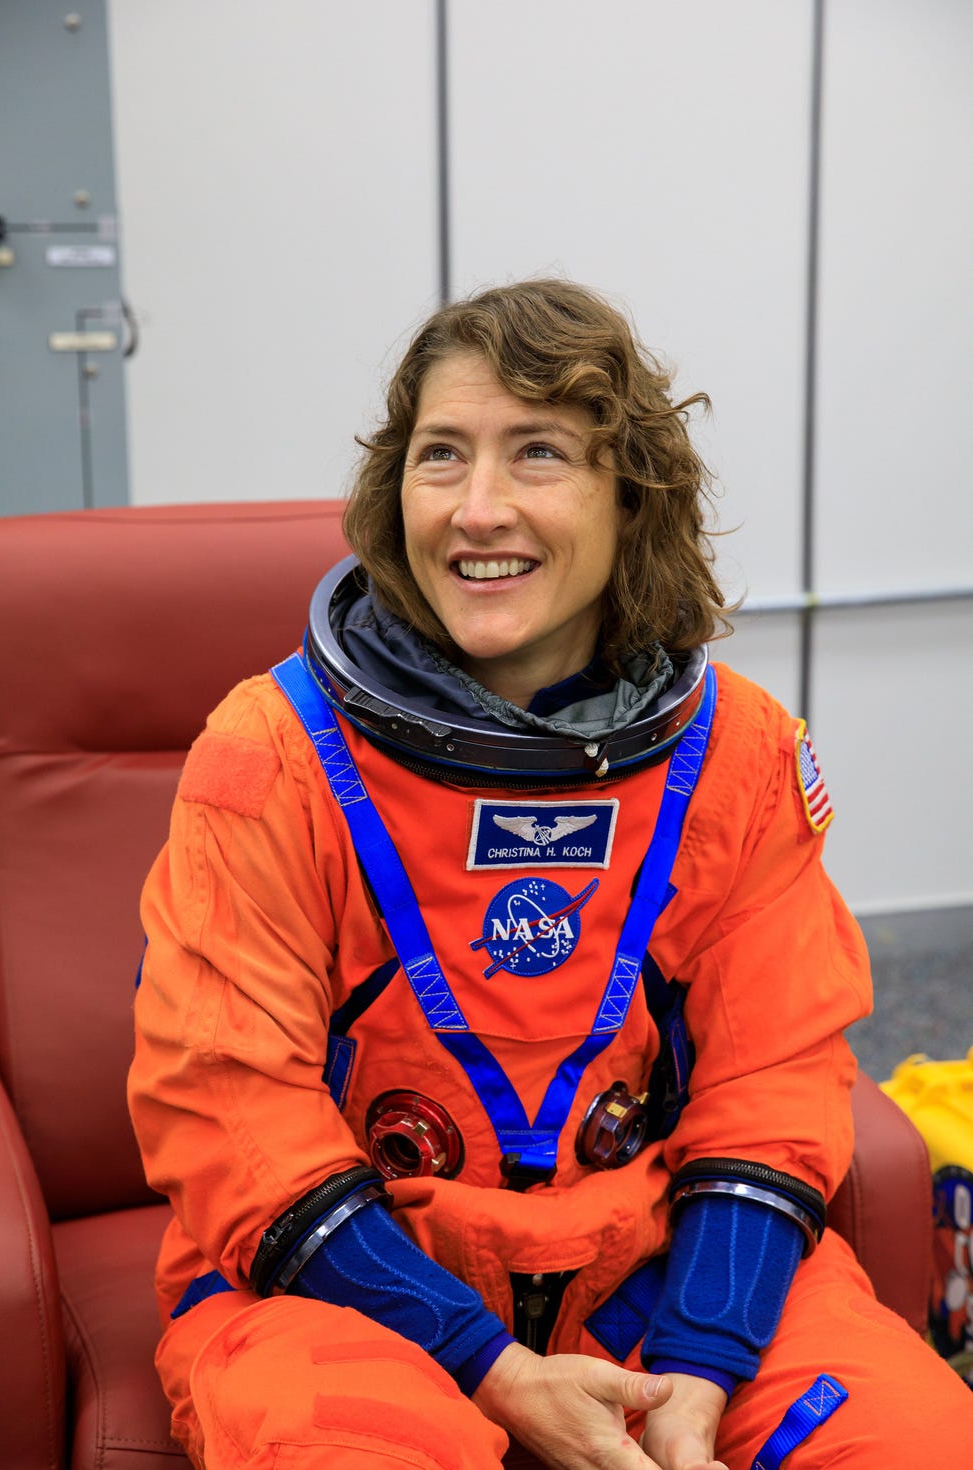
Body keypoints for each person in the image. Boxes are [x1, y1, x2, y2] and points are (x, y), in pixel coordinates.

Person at [128, 279, 973, 1470]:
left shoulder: (734, 754)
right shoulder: (271, 755)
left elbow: (772, 1077)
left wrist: (704, 1364)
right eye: (440, 455)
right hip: (346, 1291)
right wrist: (489, 1363)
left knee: (910, 1440)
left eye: (538, 453)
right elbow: (229, 1110)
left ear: (631, 497)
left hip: (646, 1270)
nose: (478, 509)